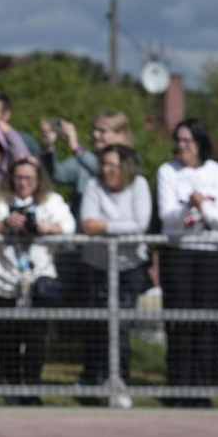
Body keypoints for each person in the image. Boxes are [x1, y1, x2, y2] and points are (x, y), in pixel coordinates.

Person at [0, 156, 72, 400]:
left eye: (29, 178)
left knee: (35, 340)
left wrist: (43, 227)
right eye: (19, 177)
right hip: (3, 282)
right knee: (6, 339)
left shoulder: (51, 201)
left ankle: (32, 389)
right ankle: (11, 388)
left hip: (39, 283)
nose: (23, 183)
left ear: (38, 180)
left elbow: (69, 226)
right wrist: (4, 224)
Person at [157, 117, 218, 404]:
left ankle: (202, 388)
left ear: (200, 143)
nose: (182, 146)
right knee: (179, 321)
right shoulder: (167, 171)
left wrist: (203, 207)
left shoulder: (217, 171)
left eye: (187, 140)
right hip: (179, 253)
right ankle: (178, 386)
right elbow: (167, 216)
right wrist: (186, 209)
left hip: (210, 255)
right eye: (178, 140)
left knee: (206, 322)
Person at [76, 144, 154, 400]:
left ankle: (119, 385)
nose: (107, 170)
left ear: (126, 167)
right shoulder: (93, 185)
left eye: (113, 165)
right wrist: (117, 228)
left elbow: (139, 225)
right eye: (104, 164)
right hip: (96, 267)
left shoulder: (139, 185)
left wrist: (106, 226)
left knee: (120, 329)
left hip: (128, 269)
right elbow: (88, 223)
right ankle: (93, 384)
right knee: (95, 327)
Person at [39, 110, 133, 214]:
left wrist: (76, 148)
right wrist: (49, 147)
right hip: (82, 223)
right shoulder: (86, 158)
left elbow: (105, 172)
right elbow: (56, 174)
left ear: (120, 135)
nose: (95, 134)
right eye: (95, 129)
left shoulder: (130, 159)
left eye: (102, 131)